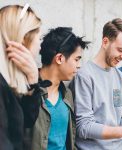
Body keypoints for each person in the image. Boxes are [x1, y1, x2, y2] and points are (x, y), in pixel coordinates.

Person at [71, 18, 122, 150]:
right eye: (121, 50)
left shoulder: (120, 77)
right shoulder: (85, 75)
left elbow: (119, 116)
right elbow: (84, 127)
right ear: (105, 42)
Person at [23, 27, 89, 150]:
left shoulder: (67, 94)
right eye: (76, 59)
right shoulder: (26, 91)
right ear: (59, 58)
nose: (79, 66)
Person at [0, 4, 42, 150]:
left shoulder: (9, 82)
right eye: (39, 38)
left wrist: (33, 79)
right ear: (24, 39)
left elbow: (27, 122)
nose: (40, 47)